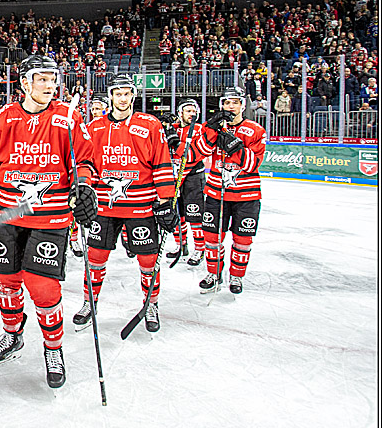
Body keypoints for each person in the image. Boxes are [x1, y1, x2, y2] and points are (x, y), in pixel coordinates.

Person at [0, 56, 98, 387]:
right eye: (42, 79)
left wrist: (83, 188)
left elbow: (84, 160)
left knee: (42, 287)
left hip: (51, 217)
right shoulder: (3, 118)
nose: (50, 85)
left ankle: (53, 349)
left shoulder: (67, 117)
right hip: (8, 215)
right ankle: (13, 336)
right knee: (6, 281)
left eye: (53, 79)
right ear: (25, 82)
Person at [73, 74, 177, 334]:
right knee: (95, 258)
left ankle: (151, 304)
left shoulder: (150, 124)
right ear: (110, 96)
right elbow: (85, 164)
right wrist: (83, 190)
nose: (122, 98)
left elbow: (162, 164)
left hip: (140, 205)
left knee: (148, 259)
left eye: (127, 93)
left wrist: (165, 202)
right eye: (117, 93)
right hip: (104, 207)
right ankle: (89, 302)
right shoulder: (94, 127)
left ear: (133, 95)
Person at [191, 87, 267, 295]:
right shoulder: (213, 127)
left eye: (235, 102)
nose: (230, 107)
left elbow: (253, 163)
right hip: (216, 194)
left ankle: (236, 276)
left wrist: (234, 146)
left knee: (242, 240)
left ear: (243, 105)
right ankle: (213, 274)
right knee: (212, 238)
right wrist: (212, 131)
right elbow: (198, 153)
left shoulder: (255, 130)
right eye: (227, 103)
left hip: (247, 195)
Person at [164, 99, 207, 266]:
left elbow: (194, 153)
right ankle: (181, 245)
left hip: (193, 177)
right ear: (180, 113)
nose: (192, 114)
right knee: (176, 214)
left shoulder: (199, 129)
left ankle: (200, 248)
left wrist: (176, 143)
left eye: (193, 111)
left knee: (195, 215)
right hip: (175, 177)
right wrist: (164, 124)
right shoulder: (173, 128)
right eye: (187, 111)